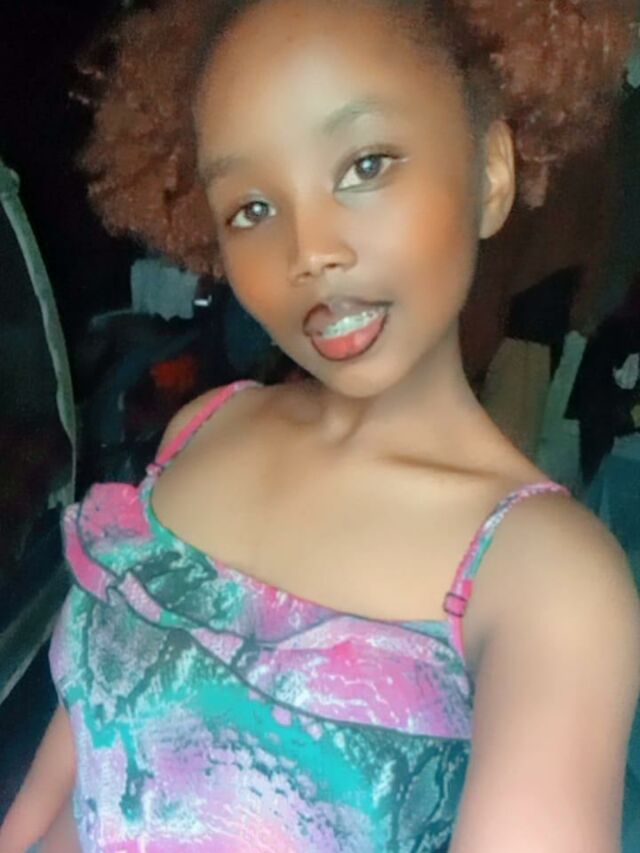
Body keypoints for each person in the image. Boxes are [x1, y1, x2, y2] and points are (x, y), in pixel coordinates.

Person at [2, 0, 640, 850]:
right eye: (252, 208)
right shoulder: (205, 428)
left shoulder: (544, 579)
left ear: (490, 171)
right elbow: (68, 761)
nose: (309, 250)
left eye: (365, 165)